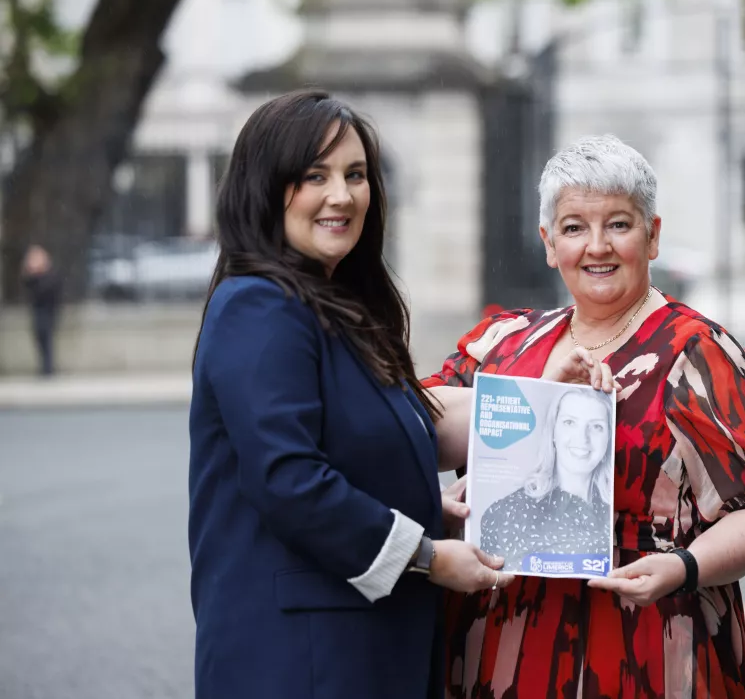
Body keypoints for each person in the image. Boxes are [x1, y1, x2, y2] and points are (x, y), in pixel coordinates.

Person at [423, 135, 745, 698]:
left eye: (619, 224)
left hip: (650, 645)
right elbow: (407, 426)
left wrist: (684, 567)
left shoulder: (698, 352)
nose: (597, 246)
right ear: (548, 243)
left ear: (653, 235)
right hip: (499, 648)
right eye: (573, 228)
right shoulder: (503, 343)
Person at [188, 90, 510, 699]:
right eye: (316, 175)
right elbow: (289, 480)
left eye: (356, 175)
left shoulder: (334, 311)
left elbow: (369, 443)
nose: (343, 195)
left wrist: (420, 500)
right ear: (265, 186)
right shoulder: (260, 306)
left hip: (353, 651)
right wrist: (430, 556)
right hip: (297, 662)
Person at [478, 388, 613, 568]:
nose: (582, 438)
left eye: (596, 426)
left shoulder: (618, 510)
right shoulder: (508, 513)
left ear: (609, 439)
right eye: (570, 422)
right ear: (553, 433)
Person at [21, 244, 62, 376]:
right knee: (39, 340)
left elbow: (46, 292)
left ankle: (48, 369)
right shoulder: (33, 277)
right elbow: (27, 287)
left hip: (48, 311)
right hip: (38, 311)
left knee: (47, 340)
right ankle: (44, 367)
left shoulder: (50, 275)